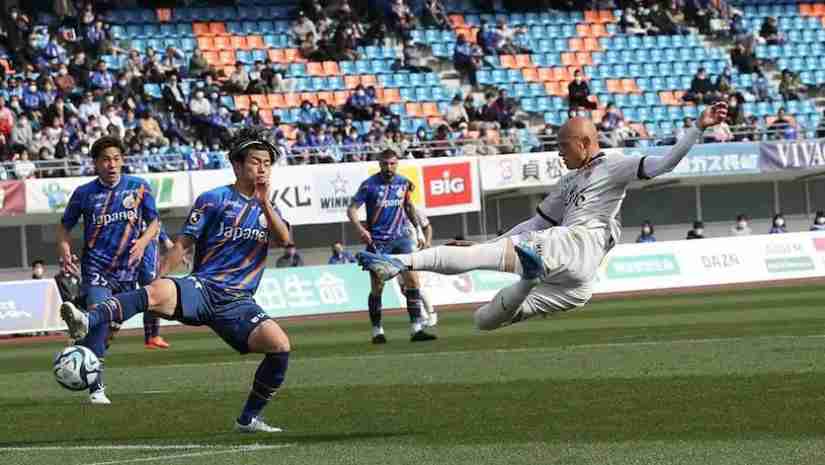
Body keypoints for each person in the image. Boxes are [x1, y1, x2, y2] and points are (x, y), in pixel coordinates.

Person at [356, 104, 727, 331]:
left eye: (563, 145)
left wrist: (698, 127)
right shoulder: (567, 183)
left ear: (585, 143)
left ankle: (397, 263)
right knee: (484, 320)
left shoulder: (613, 164)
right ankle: (530, 279)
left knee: (474, 260)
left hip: (576, 244)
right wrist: (495, 244)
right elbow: (534, 226)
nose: (559, 153)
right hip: (578, 284)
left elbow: (663, 164)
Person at [60, 127, 292, 433]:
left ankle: (247, 419)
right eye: (255, 161)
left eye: (267, 163)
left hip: (239, 302)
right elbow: (182, 245)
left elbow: (284, 240)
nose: (262, 167)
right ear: (237, 165)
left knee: (280, 346)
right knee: (156, 291)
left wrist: (264, 202)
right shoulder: (213, 200)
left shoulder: (268, 208)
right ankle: (89, 320)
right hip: (203, 287)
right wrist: (158, 277)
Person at [56, 136, 160, 405]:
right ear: (95, 163)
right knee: (101, 325)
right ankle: (97, 389)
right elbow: (64, 226)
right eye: (105, 159)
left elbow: (154, 223)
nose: (111, 164)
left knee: (110, 330)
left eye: (116, 158)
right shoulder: (84, 193)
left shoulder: (139, 187)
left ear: (122, 160)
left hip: (128, 272)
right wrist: (65, 249)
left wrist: (143, 243)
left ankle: (80, 337)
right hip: (97, 268)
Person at [347, 149, 436, 344]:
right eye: (385, 164)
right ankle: (377, 331)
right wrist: (360, 229)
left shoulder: (404, 183)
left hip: (401, 239)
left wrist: (419, 231)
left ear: (397, 164)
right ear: (379, 163)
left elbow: (409, 207)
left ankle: (416, 329)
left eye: (393, 163)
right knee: (378, 287)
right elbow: (352, 209)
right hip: (378, 242)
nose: (389, 167)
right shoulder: (369, 185)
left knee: (413, 282)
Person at [138, 224, 174, 350]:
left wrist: (182, 255)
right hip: (145, 268)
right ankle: (151, 337)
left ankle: (152, 337)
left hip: (155, 267)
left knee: (153, 301)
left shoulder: (157, 223)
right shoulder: (139, 221)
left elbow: (168, 244)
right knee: (152, 300)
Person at [399, 207, 437, 327]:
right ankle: (422, 315)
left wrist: (428, 243)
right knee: (404, 289)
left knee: (415, 285)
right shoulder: (391, 210)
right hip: (398, 252)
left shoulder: (415, 210)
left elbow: (427, 227)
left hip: (413, 251)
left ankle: (431, 313)